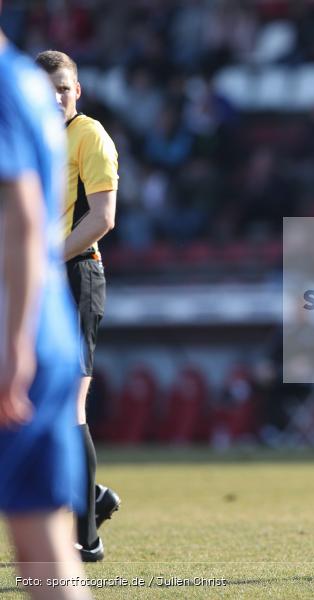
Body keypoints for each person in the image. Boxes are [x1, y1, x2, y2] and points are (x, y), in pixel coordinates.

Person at [0, 23, 91, 600]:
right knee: (41, 549)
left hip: (19, 328)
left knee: (40, 547)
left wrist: (14, 344)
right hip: (39, 324)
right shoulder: (25, 85)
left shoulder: (11, 88)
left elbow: (23, 218)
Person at [35, 50, 121, 562]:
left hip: (73, 274)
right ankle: (91, 499)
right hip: (34, 276)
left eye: (64, 88)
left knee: (69, 406)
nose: (57, 98)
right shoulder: (27, 136)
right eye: (48, 91)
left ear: (78, 90)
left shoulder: (88, 135)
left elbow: (102, 216)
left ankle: (84, 537)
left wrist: (40, 257)